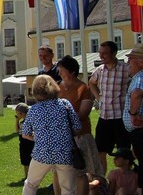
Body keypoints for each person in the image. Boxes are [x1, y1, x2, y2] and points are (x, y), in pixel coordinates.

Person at [21, 74, 82, 195]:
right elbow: (77, 127)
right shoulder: (65, 104)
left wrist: (39, 138)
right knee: (68, 189)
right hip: (64, 152)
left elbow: (25, 134)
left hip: (42, 152)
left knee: (31, 184)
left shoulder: (33, 109)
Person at [58, 55, 103, 194]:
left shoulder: (83, 89)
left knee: (80, 172)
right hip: (62, 137)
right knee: (59, 172)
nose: (59, 72)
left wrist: (60, 117)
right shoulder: (58, 87)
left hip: (79, 137)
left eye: (62, 69)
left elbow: (83, 114)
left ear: (71, 72)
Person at [90, 40, 131, 176]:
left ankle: (123, 180)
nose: (102, 56)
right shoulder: (99, 70)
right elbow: (91, 83)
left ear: (114, 53)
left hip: (120, 117)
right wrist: (98, 98)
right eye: (100, 53)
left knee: (123, 152)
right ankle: (102, 181)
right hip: (104, 117)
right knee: (100, 151)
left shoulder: (125, 69)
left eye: (105, 53)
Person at [122, 46, 143, 189]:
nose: (128, 61)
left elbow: (137, 93)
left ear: (141, 62)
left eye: (131, 59)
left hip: (140, 130)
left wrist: (133, 115)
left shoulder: (140, 77)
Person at [15, 103, 34, 179]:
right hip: (24, 142)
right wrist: (17, 121)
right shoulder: (22, 122)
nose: (16, 116)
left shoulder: (27, 122)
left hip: (28, 142)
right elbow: (17, 131)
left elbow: (17, 131)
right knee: (25, 160)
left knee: (28, 160)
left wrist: (17, 121)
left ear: (21, 113)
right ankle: (27, 176)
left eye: (17, 114)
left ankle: (29, 176)